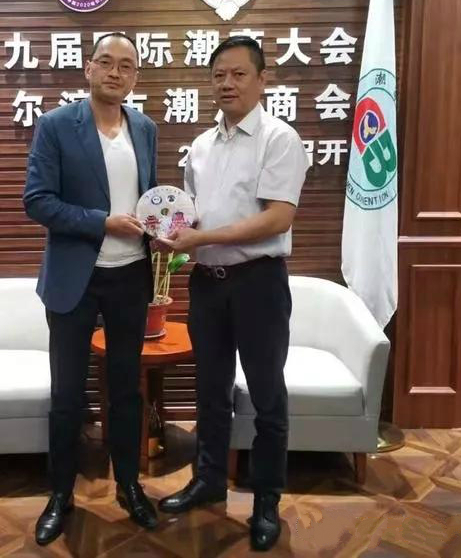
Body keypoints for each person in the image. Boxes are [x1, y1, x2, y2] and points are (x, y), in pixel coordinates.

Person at [157, 36, 309, 552]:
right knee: (210, 391)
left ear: (263, 80)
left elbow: (277, 218)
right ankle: (207, 481)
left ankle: (266, 500)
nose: (227, 83)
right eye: (219, 74)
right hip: (207, 284)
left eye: (239, 74)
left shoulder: (279, 138)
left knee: (267, 396)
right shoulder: (201, 145)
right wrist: (168, 230)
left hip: (258, 283)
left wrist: (201, 238)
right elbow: (193, 213)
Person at [23, 32, 159, 546]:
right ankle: (60, 494)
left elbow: (148, 196)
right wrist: (102, 222)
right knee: (66, 394)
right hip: (73, 279)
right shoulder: (57, 125)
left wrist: (162, 226)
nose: (115, 72)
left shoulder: (144, 128)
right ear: (88, 67)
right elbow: (37, 200)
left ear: (135, 76)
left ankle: (129, 485)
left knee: (126, 391)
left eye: (126, 65)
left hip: (130, 277)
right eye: (106, 62)